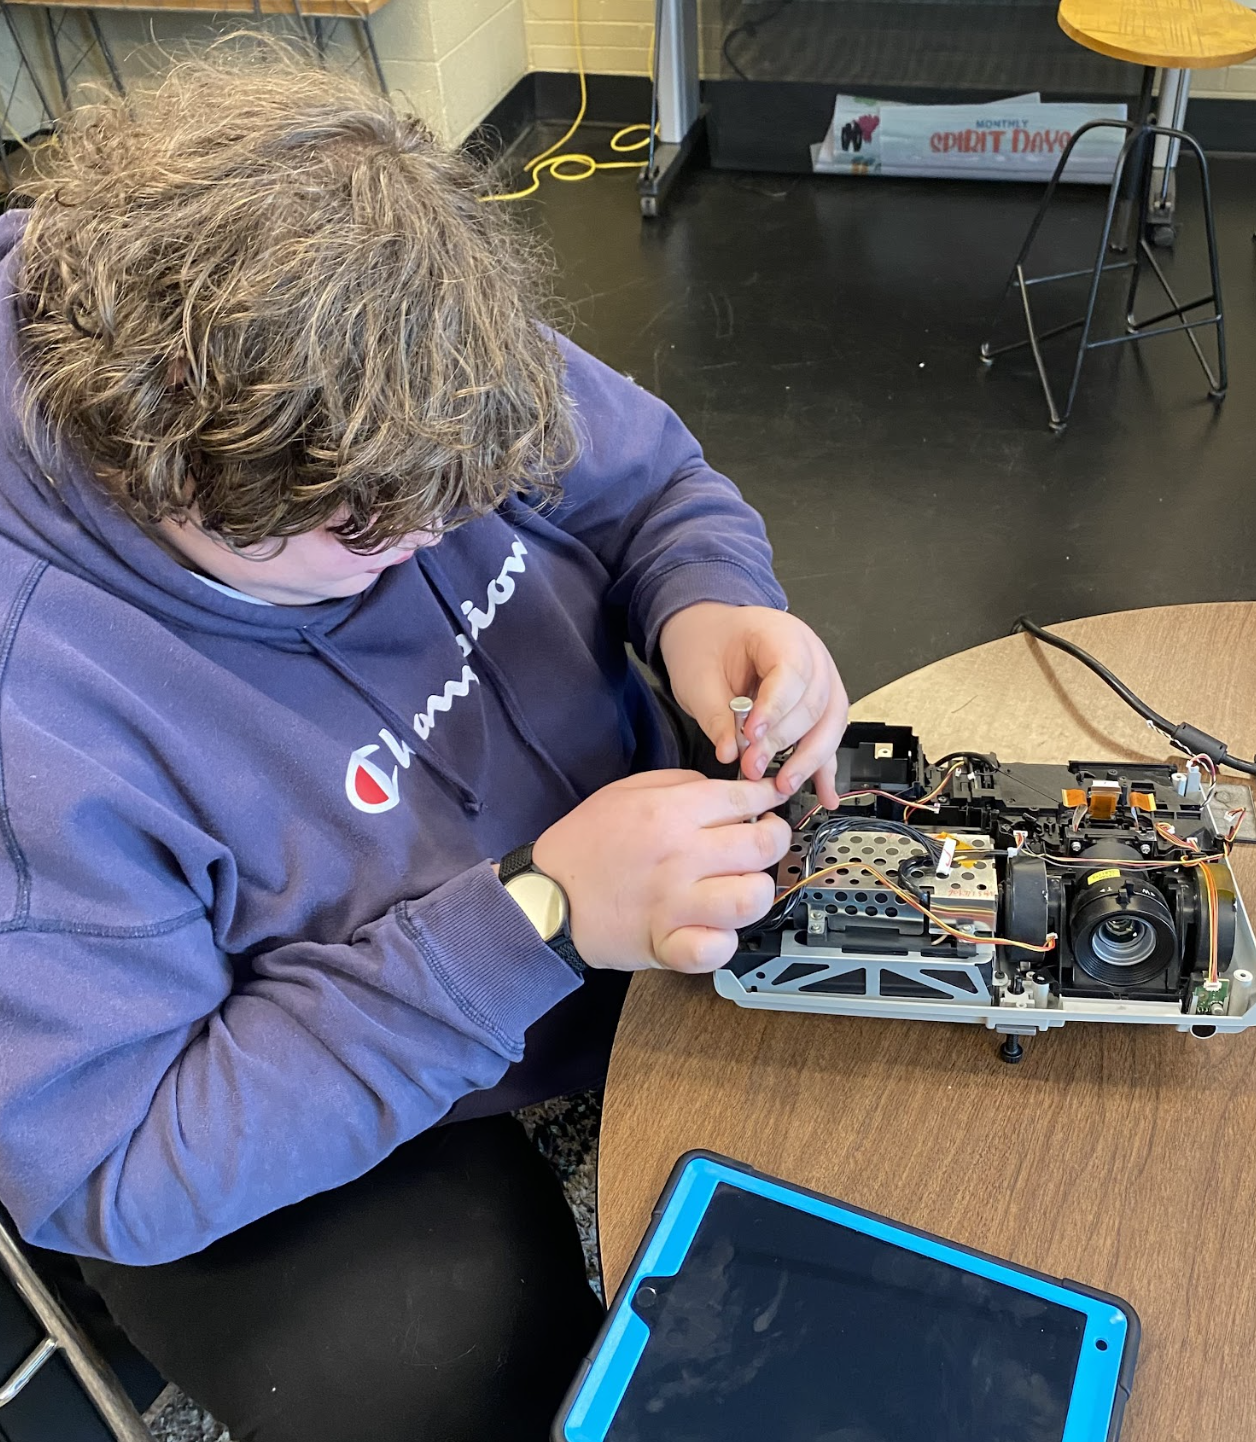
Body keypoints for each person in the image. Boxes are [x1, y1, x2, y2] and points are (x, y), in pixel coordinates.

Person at [0, 54, 848, 1442]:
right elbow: (119, 1162)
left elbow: (650, 483)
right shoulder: (37, 705)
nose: (441, 541)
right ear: (164, 455)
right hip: (337, 1109)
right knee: (461, 1358)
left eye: (464, 497)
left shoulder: (387, 318)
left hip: (609, 896)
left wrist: (710, 598)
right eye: (371, 534)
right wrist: (543, 915)